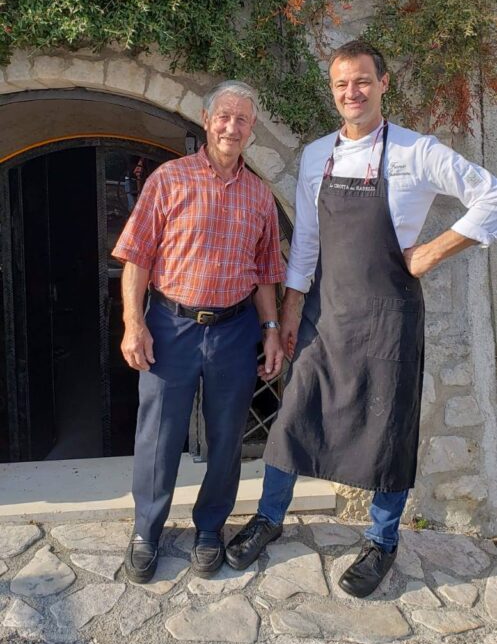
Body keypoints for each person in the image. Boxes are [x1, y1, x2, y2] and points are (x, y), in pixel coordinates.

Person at [226, 40, 497, 597]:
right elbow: (306, 239)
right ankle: (270, 517)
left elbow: (489, 194)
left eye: (362, 82)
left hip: (390, 315)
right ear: (333, 91)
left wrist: (429, 253)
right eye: (341, 85)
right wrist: (292, 307)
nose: (352, 93)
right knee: (294, 415)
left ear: (383, 84)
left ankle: (382, 539)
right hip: (327, 309)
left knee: (389, 427)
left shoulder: (416, 152)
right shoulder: (316, 155)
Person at [112, 81, 285, 584]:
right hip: (170, 325)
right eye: (225, 117)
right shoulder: (168, 180)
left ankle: (210, 528)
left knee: (227, 437)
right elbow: (135, 258)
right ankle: (147, 530)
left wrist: (271, 330)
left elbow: (266, 273)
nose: (233, 127)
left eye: (243, 120)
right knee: (158, 436)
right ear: (208, 119)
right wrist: (133, 322)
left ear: (251, 131)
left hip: (234, 330)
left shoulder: (259, 195)